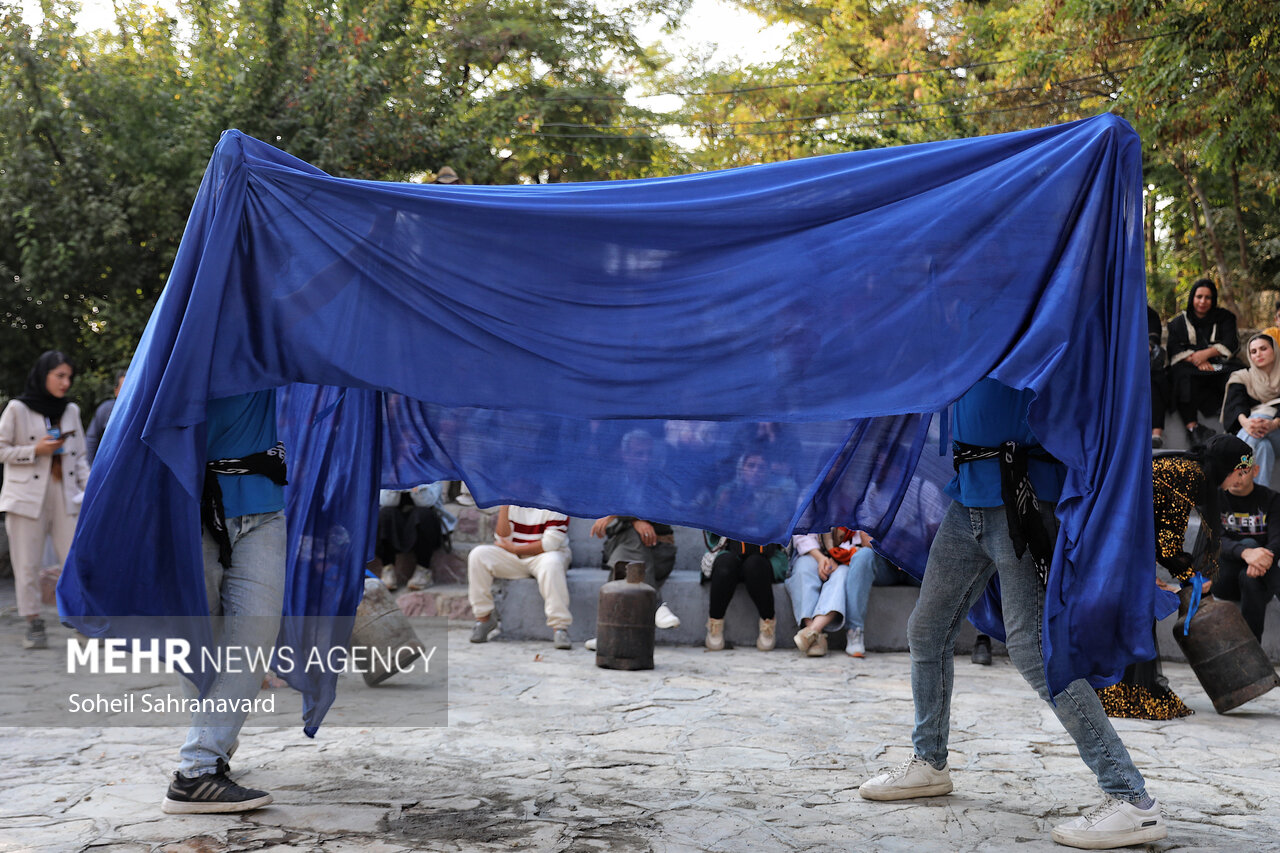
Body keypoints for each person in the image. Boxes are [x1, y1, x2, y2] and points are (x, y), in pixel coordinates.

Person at [858, 378, 1166, 850]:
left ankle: (1132, 799)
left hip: (1021, 499)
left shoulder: (1026, 317)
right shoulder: (969, 331)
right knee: (927, 629)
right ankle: (929, 762)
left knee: (1033, 650)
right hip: (969, 498)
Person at [162, 390, 287, 813]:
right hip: (189, 504)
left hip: (265, 506)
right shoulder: (181, 338)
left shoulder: (274, 335)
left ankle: (198, 767)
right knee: (200, 643)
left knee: (254, 636)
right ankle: (210, 755)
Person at [0, 351, 91, 650]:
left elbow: (79, 457)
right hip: (26, 497)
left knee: (74, 561)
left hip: (65, 494)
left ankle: (80, 621)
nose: (66, 382)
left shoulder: (71, 411)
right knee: (26, 563)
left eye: (69, 376)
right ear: (44, 375)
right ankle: (33, 622)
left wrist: (89, 490)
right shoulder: (17, 408)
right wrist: (34, 450)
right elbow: (1, 450)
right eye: (59, 376)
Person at [467, 505, 573, 649]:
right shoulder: (514, 501)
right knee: (478, 555)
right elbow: (502, 538)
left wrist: (515, 549)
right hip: (515, 557)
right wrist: (504, 506)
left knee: (552, 563)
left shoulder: (555, 502)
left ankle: (560, 628)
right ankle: (484, 619)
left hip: (546, 556)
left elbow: (549, 544)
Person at [1208, 437, 1280, 643]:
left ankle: (1252, 648)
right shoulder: (1216, 497)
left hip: (1258, 576)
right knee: (1250, 544)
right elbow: (1215, 540)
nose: (1237, 478)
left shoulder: (1272, 499)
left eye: (1243, 472)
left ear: (1255, 471)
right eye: (1231, 472)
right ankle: (1253, 653)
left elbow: (1277, 541)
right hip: (1222, 577)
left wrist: (1260, 559)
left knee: (1251, 577)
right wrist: (1246, 552)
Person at [1167, 279, 1240, 444]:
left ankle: (1235, 423)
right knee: (1179, 374)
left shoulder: (1225, 317)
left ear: (1213, 299)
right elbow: (1173, 348)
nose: (1203, 301)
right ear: (1192, 297)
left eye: (1208, 297)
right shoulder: (1178, 322)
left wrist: (1206, 354)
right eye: (1199, 296)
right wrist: (1197, 360)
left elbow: (1232, 344)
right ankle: (1193, 428)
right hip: (1190, 368)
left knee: (1237, 374)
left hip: (1218, 367)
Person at [702, 533, 784, 651]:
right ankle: (715, 623)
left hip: (768, 555)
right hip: (727, 547)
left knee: (755, 565)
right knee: (725, 565)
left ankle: (768, 623)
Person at [1222, 333, 1280, 489]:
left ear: (1274, 350)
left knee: (1259, 417)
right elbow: (1235, 404)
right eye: (1253, 351)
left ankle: (1233, 492)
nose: (1258, 354)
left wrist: (1274, 423)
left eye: (1263, 349)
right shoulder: (1242, 377)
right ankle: (1259, 503)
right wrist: (1246, 422)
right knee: (1262, 446)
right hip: (1254, 433)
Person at [786, 528, 854, 657]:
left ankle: (813, 631)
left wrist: (838, 557)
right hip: (810, 553)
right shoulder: (808, 507)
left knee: (842, 576)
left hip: (845, 557)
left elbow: (855, 537)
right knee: (803, 570)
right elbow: (801, 534)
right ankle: (814, 634)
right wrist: (821, 558)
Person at [376, 482, 455, 591]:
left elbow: (426, 502)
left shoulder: (432, 471)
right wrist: (397, 484)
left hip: (424, 524)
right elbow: (385, 501)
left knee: (423, 514)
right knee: (384, 514)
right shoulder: (390, 472)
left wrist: (415, 485)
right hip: (398, 524)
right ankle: (388, 568)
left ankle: (423, 569)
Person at [85, 368, 126, 464]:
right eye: (124, 389)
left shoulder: (145, 412)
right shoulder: (105, 410)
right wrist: (89, 470)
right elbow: (91, 439)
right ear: (116, 391)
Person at [1149, 304, 1170, 449]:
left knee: (1157, 381)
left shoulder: (1149, 314)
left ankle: (1156, 434)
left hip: (1146, 367)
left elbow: (1153, 340)